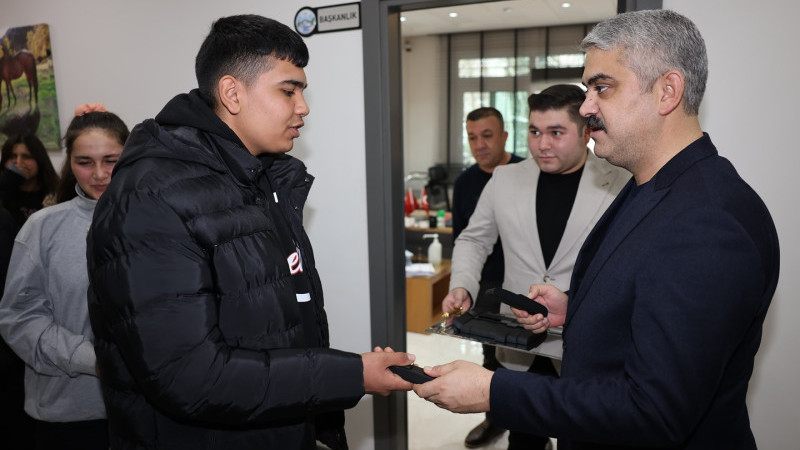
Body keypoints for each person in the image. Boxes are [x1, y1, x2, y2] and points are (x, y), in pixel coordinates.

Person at [415, 9, 780, 450]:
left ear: (667, 91)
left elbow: (653, 412)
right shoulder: (652, 186)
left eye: (602, 88)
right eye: (588, 90)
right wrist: (577, 310)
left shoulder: (707, 222)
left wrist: (493, 391)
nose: (586, 107)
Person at [85, 15, 414, 450]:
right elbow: (189, 376)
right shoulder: (150, 198)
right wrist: (352, 374)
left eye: (302, 91)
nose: (304, 107)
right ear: (232, 93)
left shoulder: (260, 180)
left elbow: (277, 323)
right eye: (288, 90)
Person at [442, 84, 629, 450]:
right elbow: (474, 239)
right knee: (524, 440)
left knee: (582, 439)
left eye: (556, 133)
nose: (542, 144)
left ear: (585, 131)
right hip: (517, 342)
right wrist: (463, 283)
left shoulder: (620, 182)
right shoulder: (505, 179)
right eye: (535, 131)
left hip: (582, 345)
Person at [0, 104, 129, 450]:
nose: (99, 174)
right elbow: (19, 319)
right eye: (85, 162)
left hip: (141, 413)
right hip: (67, 415)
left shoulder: (155, 222)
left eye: (111, 160)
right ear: (69, 163)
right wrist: (96, 360)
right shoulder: (42, 228)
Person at [449, 106, 523, 448]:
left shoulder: (527, 171)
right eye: (472, 137)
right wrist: (463, 285)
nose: (479, 144)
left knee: (528, 367)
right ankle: (495, 421)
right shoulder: (464, 183)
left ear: (505, 136)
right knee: (491, 360)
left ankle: (529, 434)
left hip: (527, 287)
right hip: (487, 288)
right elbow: (465, 240)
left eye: (487, 136)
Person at [0, 134, 59, 227]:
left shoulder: (54, 194)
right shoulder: (3, 190)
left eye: (26, 157)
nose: (18, 162)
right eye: (12, 156)